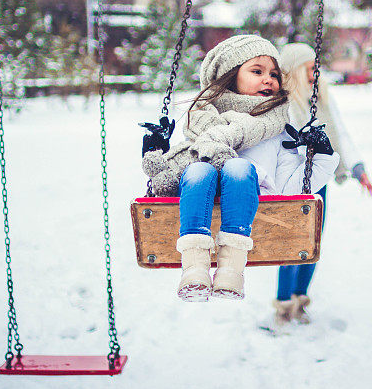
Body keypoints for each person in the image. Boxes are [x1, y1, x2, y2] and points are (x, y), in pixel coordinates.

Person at [142, 35, 340, 302]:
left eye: (273, 74)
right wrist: (155, 152)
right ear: (230, 75)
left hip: (255, 216)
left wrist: (323, 155)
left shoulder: (277, 132)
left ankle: (230, 270)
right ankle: (194, 269)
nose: (269, 79)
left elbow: (292, 188)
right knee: (198, 171)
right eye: (257, 71)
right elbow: (171, 182)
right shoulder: (202, 123)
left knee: (238, 168)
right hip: (200, 202)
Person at [271, 42, 372, 327]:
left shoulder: (322, 98)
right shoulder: (282, 104)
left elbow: (339, 132)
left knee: (312, 244)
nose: (314, 72)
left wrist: (357, 168)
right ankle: (283, 306)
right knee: (291, 246)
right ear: (294, 70)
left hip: (319, 183)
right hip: (291, 185)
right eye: (308, 67)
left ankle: (300, 299)